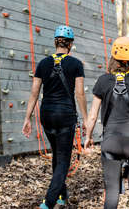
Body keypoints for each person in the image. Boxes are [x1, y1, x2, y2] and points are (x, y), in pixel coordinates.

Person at [22, 25, 88, 209]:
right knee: (63, 160)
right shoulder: (76, 64)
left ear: (55, 42)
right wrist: (86, 119)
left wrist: (27, 118)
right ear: (71, 44)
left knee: (57, 155)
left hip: (47, 115)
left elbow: (34, 93)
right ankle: (48, 203)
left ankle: (61, 196)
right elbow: (80, 94)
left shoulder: (43, 63)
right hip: (65, 115)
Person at [84, 37, 129, 209]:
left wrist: (88, 137)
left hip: (111, 141)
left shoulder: (103, 80)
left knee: (112, 190)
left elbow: (92, 116)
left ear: (113, 56)